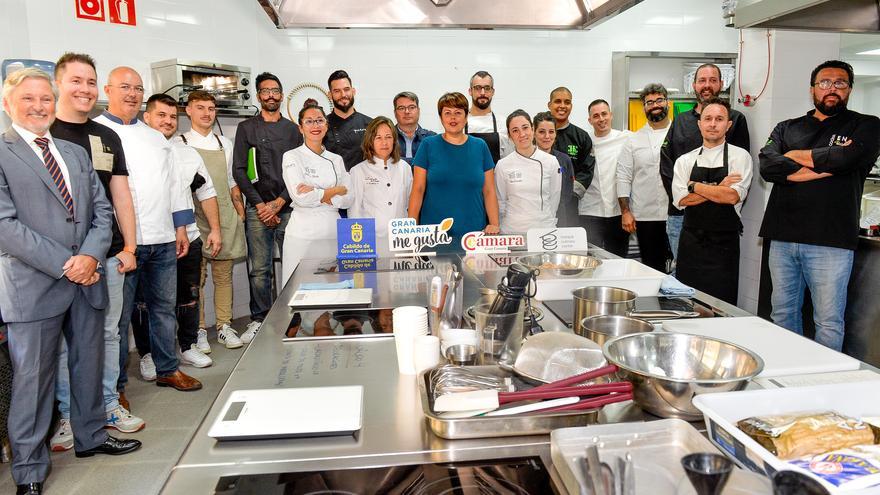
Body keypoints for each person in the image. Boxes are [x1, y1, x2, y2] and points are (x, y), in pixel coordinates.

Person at [1, 68, 140, 495]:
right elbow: (5, 225)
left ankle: (92, 437)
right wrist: (69, 262)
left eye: (45, 98)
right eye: (28, 99)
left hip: (88, 277)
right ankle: (28, 470)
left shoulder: (74, 152)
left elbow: (103, 212)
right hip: (33, 283)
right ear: (8, 104)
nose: (39, 106)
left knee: (88, 364)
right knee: (34, 380)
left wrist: (89, 257)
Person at [49, 53, 143, 452]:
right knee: (63, 341)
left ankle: (107, 404)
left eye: (90, 81)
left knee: (107, 333)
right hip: (57, 259)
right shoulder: (44, 132)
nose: (84, 89)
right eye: (76, 81)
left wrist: (130, 246)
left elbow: (119, 193)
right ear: (59, 84)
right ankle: (70, 415)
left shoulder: (107, 136)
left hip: (107, 253)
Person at [759, 60, 880, 351]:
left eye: (840, 83)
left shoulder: (867, 125)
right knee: (782, 313)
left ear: (849, 89)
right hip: (783, 236)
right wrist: (826, 163)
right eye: (825, 82)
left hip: (831, 239)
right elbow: (767, 165)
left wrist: (793, 156)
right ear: (813, 88)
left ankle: (823, 382)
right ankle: (788, 371)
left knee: (828, 320)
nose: (832, 89)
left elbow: (847, 160)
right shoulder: (787, 127)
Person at [95, 67, 202, 393]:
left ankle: (168, 368)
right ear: (108, 89)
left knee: (163, 310)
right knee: (118, 320)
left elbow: (175, 186)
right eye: (124, 87)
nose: (131, 93)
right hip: (121, 245)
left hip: (163, 239)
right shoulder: (95, 132)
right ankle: (116, 389)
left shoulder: (155, 138)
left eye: (137, 88)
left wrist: (181, 227)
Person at [139, 93, 219, 370]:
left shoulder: (185, 153)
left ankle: (187, 345)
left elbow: (206, 191)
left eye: (172, 117)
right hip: (146, 240)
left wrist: (215, 230)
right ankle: (147, 354)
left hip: (189, 238)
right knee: (145, 303)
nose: (168, 121)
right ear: (146, 117)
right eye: (161, 115)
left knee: (189, 296)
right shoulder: (133, 150)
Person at [231, 72, 302, 345]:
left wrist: (280, 202)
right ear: (258, 96)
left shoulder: (292, 130)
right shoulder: (246, 128)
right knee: (259, 269)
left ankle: (292, 317)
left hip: (288, 207)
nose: (270, 95)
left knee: (292, 265)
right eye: (265, 91)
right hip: (257, 209)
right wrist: (261, 205)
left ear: (281, 95)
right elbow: (239, 170)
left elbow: (299, 172)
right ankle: (259, 319)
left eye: (275, 90)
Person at [661, 63, 750, 265]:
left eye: (712, 80)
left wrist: (694, 188)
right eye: (702, 80)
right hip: (681, 215)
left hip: (722, 218)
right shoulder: (681, 121)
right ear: (694, 85)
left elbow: (739, 177)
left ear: (722, 84)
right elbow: (667, 166)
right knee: (681, 275)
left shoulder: (737, 119)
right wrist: (697, 191)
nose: (707, 85)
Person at [179, 90, 247, 353]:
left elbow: (231, 181)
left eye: (211, 108)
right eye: (200, 108)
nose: (207, 113)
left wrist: (239, 211)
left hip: (225, 215)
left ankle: (223, 326)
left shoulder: (224, 143)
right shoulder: (179, 143)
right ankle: (198, 330)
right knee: (197, 278)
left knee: (224, 275)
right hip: (195, 218)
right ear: (189, 110)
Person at [672, 98, 753, 304]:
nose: (713, 124)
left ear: (728, 125)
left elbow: (732, 196)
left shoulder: (740, 156)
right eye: (707, 118)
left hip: (724, 246)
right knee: (687, 303)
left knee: (721, 305)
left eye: (719, 119)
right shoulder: (685, 160)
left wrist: (694, 185)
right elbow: (682, 200)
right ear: (700, 123)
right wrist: (719, 187)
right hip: (691, 244)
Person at [408, 92, 500, 240]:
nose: (453, 117)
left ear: (466, 116)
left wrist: (494, 224)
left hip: (474, 234)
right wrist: (410, 229)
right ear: (440, 117)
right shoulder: (428, 145)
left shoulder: (480, 146)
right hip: (434, 234)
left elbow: (489, 190)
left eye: (458, 112)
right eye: (447, 113)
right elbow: (418, 190)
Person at [281, 103, 354, 282]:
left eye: (320, 120)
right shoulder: (291, 156)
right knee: (298, 289)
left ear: (326, 125)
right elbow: (301, 197)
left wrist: (318, 192)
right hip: (303, 233)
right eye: (310, 121)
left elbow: (348, 198)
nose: (315, 126)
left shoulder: (336, 159)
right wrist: (334, 191)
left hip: (331, 231)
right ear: (301, 127)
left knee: (331, 290)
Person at [617, 83, 672, 273]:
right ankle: (658, 303)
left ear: (668, 103)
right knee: (653, 268)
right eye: (649, 102)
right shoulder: (633, 140)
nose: (655, 105)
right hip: (645, 216)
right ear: (644, 107)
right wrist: (625, 211)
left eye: (659, 100)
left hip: (677, 214)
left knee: (681, 267)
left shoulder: (680, 133)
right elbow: (623, 176)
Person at [494, 109, 562, 234]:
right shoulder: (502, 165)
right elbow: (500, 202)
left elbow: (554, 198)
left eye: (525, 128)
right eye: (515, 130)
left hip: (544, 231)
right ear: (509, 136)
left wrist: (546, 220)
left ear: (532, 129)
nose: (522, 134)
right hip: (512, 231)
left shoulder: (551, 162)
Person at [581, 99, 630, 256]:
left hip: (617, 212)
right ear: (590, 120)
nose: (601, 119)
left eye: (604, 114)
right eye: (596, 116)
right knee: (590, 260)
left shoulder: (625, 138)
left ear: (611, 115)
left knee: (618, 259)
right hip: (589, 211)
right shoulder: (584, 141)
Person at [349, 116, 413, 237]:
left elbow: (410, 205)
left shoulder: (405, 168)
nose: (384, 143)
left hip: (401, 239)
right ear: (370, 141)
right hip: (372, 238)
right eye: (378, 138)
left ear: (394, 140)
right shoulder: (358, 171)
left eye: (388, 137)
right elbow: (354, 212)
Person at [534, 111, 579, 228]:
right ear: (534, 133)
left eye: (551, 132)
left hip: (559, 218)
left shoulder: (564, 160)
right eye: (542, 132)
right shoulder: (527, 159)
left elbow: (568, 193)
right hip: (532, 218)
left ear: (555, 134)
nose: (547, 136)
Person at [549, 87, 594, 201]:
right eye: (558, 101)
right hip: (542, 200)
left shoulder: (581, 137)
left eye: (567, 102)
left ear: (571, 106)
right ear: (549, 105)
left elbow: (586, 170)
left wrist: (569, 194)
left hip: (569, 202)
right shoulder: (536, 135)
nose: (562, 106)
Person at [325, 70, 372, 171]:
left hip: (365, 184)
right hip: (335, 185)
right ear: (329, 95)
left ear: (353, 91)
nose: (343, 94)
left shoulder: (370, 124)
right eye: (337, 91)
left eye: (346, 89)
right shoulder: (322, 126)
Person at [465, 71, 511, 163]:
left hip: (495, 176)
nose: (482, 93)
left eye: (487, 88)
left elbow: (508, 160)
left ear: (493, 92)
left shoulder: (502, 122)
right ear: (470, 91)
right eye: (478, 88)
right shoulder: (461, 122)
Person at [393, 91, 436, 165]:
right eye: (401, 108)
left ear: (418, 111)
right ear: (395, 113)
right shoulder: (386, 138)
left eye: (412, 107)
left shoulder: (432, 138)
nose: (407, 111)